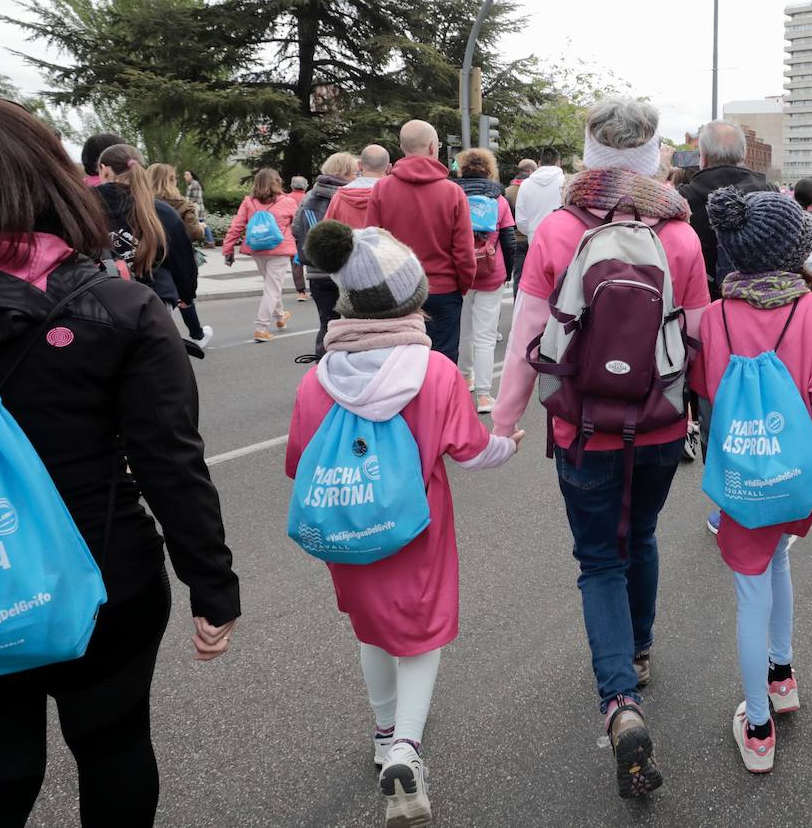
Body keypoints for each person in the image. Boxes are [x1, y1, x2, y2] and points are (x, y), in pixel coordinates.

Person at [0, 94, 239, 828]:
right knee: (113, 749)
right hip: (105, 574)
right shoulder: (117, 307)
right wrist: (212, 585)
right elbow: (171, 463)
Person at [490, 98, 709, 797]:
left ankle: (619, 701)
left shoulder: (557, 229)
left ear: (590, 150)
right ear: (651, 155)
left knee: (597, 561)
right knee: (640, 534)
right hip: (661, 423)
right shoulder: (681, 234)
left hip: (580, 425)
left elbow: (528, 338)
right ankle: (638, 651)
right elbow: (702, 342)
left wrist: (503, 424)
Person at [287, 220, 521, 828]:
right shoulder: (436, 372)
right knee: (420, 632)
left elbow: (298, 463)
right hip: (417, 529)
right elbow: (471, 451)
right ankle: (406, 751)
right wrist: (510, 443)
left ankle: (382, 731)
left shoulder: (318, 378)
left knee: (372, 630)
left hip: (347, 531)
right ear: (413, 298)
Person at [690, 185, 812, 773]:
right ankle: (781, 677)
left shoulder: (715, 317)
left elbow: (708, 395)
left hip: (744, 475)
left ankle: (758, 728)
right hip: (800, 473)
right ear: (794, 250)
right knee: (779, 558)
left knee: (749, 589)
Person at [366, 121, 475, 362]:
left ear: (402, 147)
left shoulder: (381, 189)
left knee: (398, 361)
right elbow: (464, 252)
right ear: (433, 146)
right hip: (443, 289)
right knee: (442, 363)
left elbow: (373, 246)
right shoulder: (453, 192)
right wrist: (462, 286)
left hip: (397, 290)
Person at [96, 145, 207, 353]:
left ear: (104, 169)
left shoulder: (82, 207)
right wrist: (186, 294)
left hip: (98, 298)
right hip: (153, 297)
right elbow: (183, 260)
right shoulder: (162, 211)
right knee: (151, 359)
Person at [451, 147, 516, 413]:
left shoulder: (451, 195)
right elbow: (509, 239)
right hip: (491, 272)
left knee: (464, 331)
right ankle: (485, 396)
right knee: (486, 336)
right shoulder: (498, 199)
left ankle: (465, 377)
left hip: (459, 273)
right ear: (489, 170)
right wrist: (508, 272)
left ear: (462, 169)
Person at [677, 120, 772, 299]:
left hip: (700, 302)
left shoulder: (682, 199)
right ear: (743, 155)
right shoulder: (769, 194)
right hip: (762, 300)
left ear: (702, 157)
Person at [221, 167, 298, 343]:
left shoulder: (249, 202)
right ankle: (261, 328)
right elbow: (299, 225)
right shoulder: (288, 202)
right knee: (272, 287)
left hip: (257, 249)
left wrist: (228, 249)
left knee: (271, 286)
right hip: (279, 250)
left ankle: (280, 317)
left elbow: (236, 226)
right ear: (276, 182)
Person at [293, 152, 357, 356]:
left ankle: (322, 367)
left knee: (326, 323)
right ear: (347, 171)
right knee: (354, 324)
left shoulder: (310, 195)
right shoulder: (351, 194)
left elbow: (295, 229)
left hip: (316, 270)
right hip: (346, 269)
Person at [146, 162, 214, 351]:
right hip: (179, 256)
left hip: (150, 258)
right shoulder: (182, 205)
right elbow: (193, 233)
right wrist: (201, 228)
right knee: (184, 295)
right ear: (171, 181)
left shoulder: (141, 203)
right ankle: (196, 334)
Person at [327, 144, 391, 228]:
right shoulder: (395, 196)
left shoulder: (339, 197)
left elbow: (327, 232)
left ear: (360, 165)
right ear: (389, 168)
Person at [507, 158, 536, 292]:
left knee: (517, 276)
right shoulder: (534, 190)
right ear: (530, 171)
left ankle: (516, 305)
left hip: (515, 239)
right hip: (531, 238)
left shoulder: (507, 191)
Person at [287, 176, 309, 301]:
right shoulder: (310, 198)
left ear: (292, 186)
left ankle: (301, 292)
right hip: (308, 234)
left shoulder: (286, 199)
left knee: (296, 263)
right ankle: (315, 287)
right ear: (305, 187)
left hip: (293, 236)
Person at [184, 169, 215, 247]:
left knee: (201, 223)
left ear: (191, 176)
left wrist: (186, 204)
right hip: (195, 207)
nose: (185, 176)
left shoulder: (194, 184)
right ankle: (209, 241)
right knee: (201, 223)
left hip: (196, 208)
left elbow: (195, 198)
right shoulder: (192, 184)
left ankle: (210, 241)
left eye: (187, 175)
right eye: (185, 175)